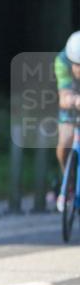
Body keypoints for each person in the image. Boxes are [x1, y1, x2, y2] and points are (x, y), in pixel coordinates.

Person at [55, 31, 80, 212]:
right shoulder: (61, 62)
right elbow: (64, 96)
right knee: (65, 142)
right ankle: (68, 183)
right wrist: (74, 100)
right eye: (78, 66)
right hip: (73, 102)